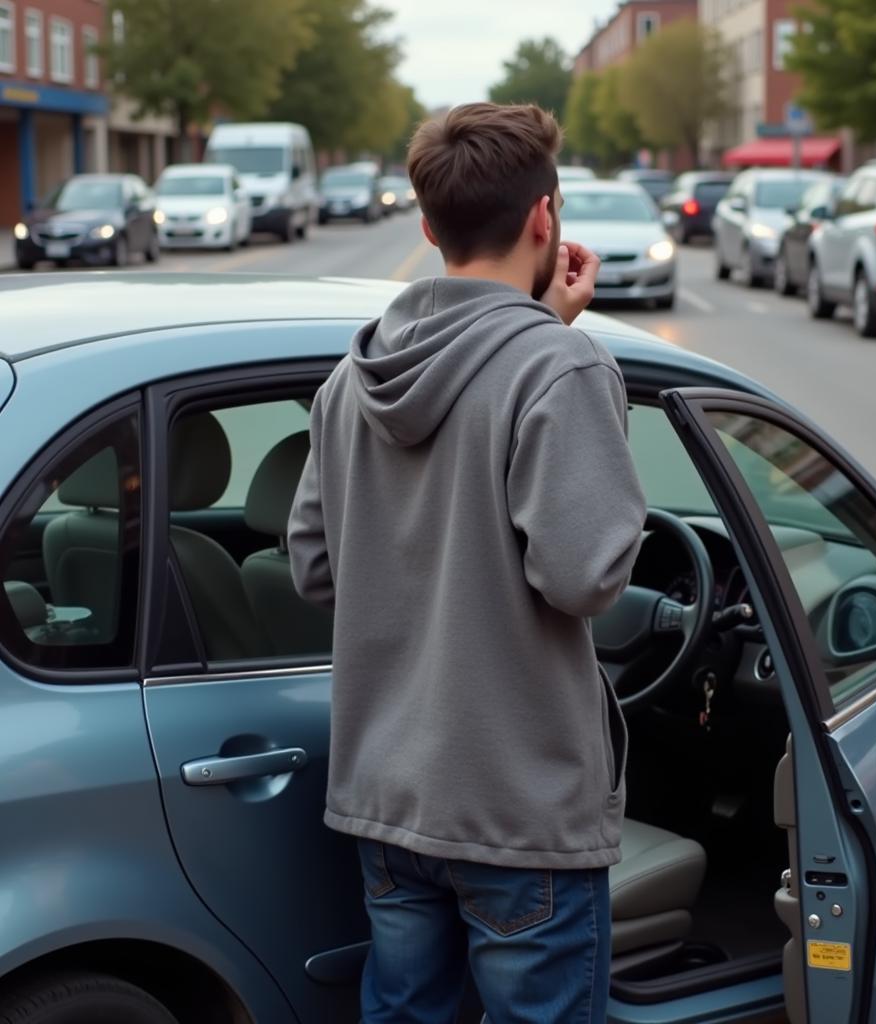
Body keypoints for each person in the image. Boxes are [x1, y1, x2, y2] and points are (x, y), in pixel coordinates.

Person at [288, 102, 647, 1023]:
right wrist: (557, 339)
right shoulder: (557, 369)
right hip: (517, 808)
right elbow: (587, 577)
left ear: (425, 223)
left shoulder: (351, 379)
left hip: (386, 800)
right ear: (545, 218)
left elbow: (316, 570)